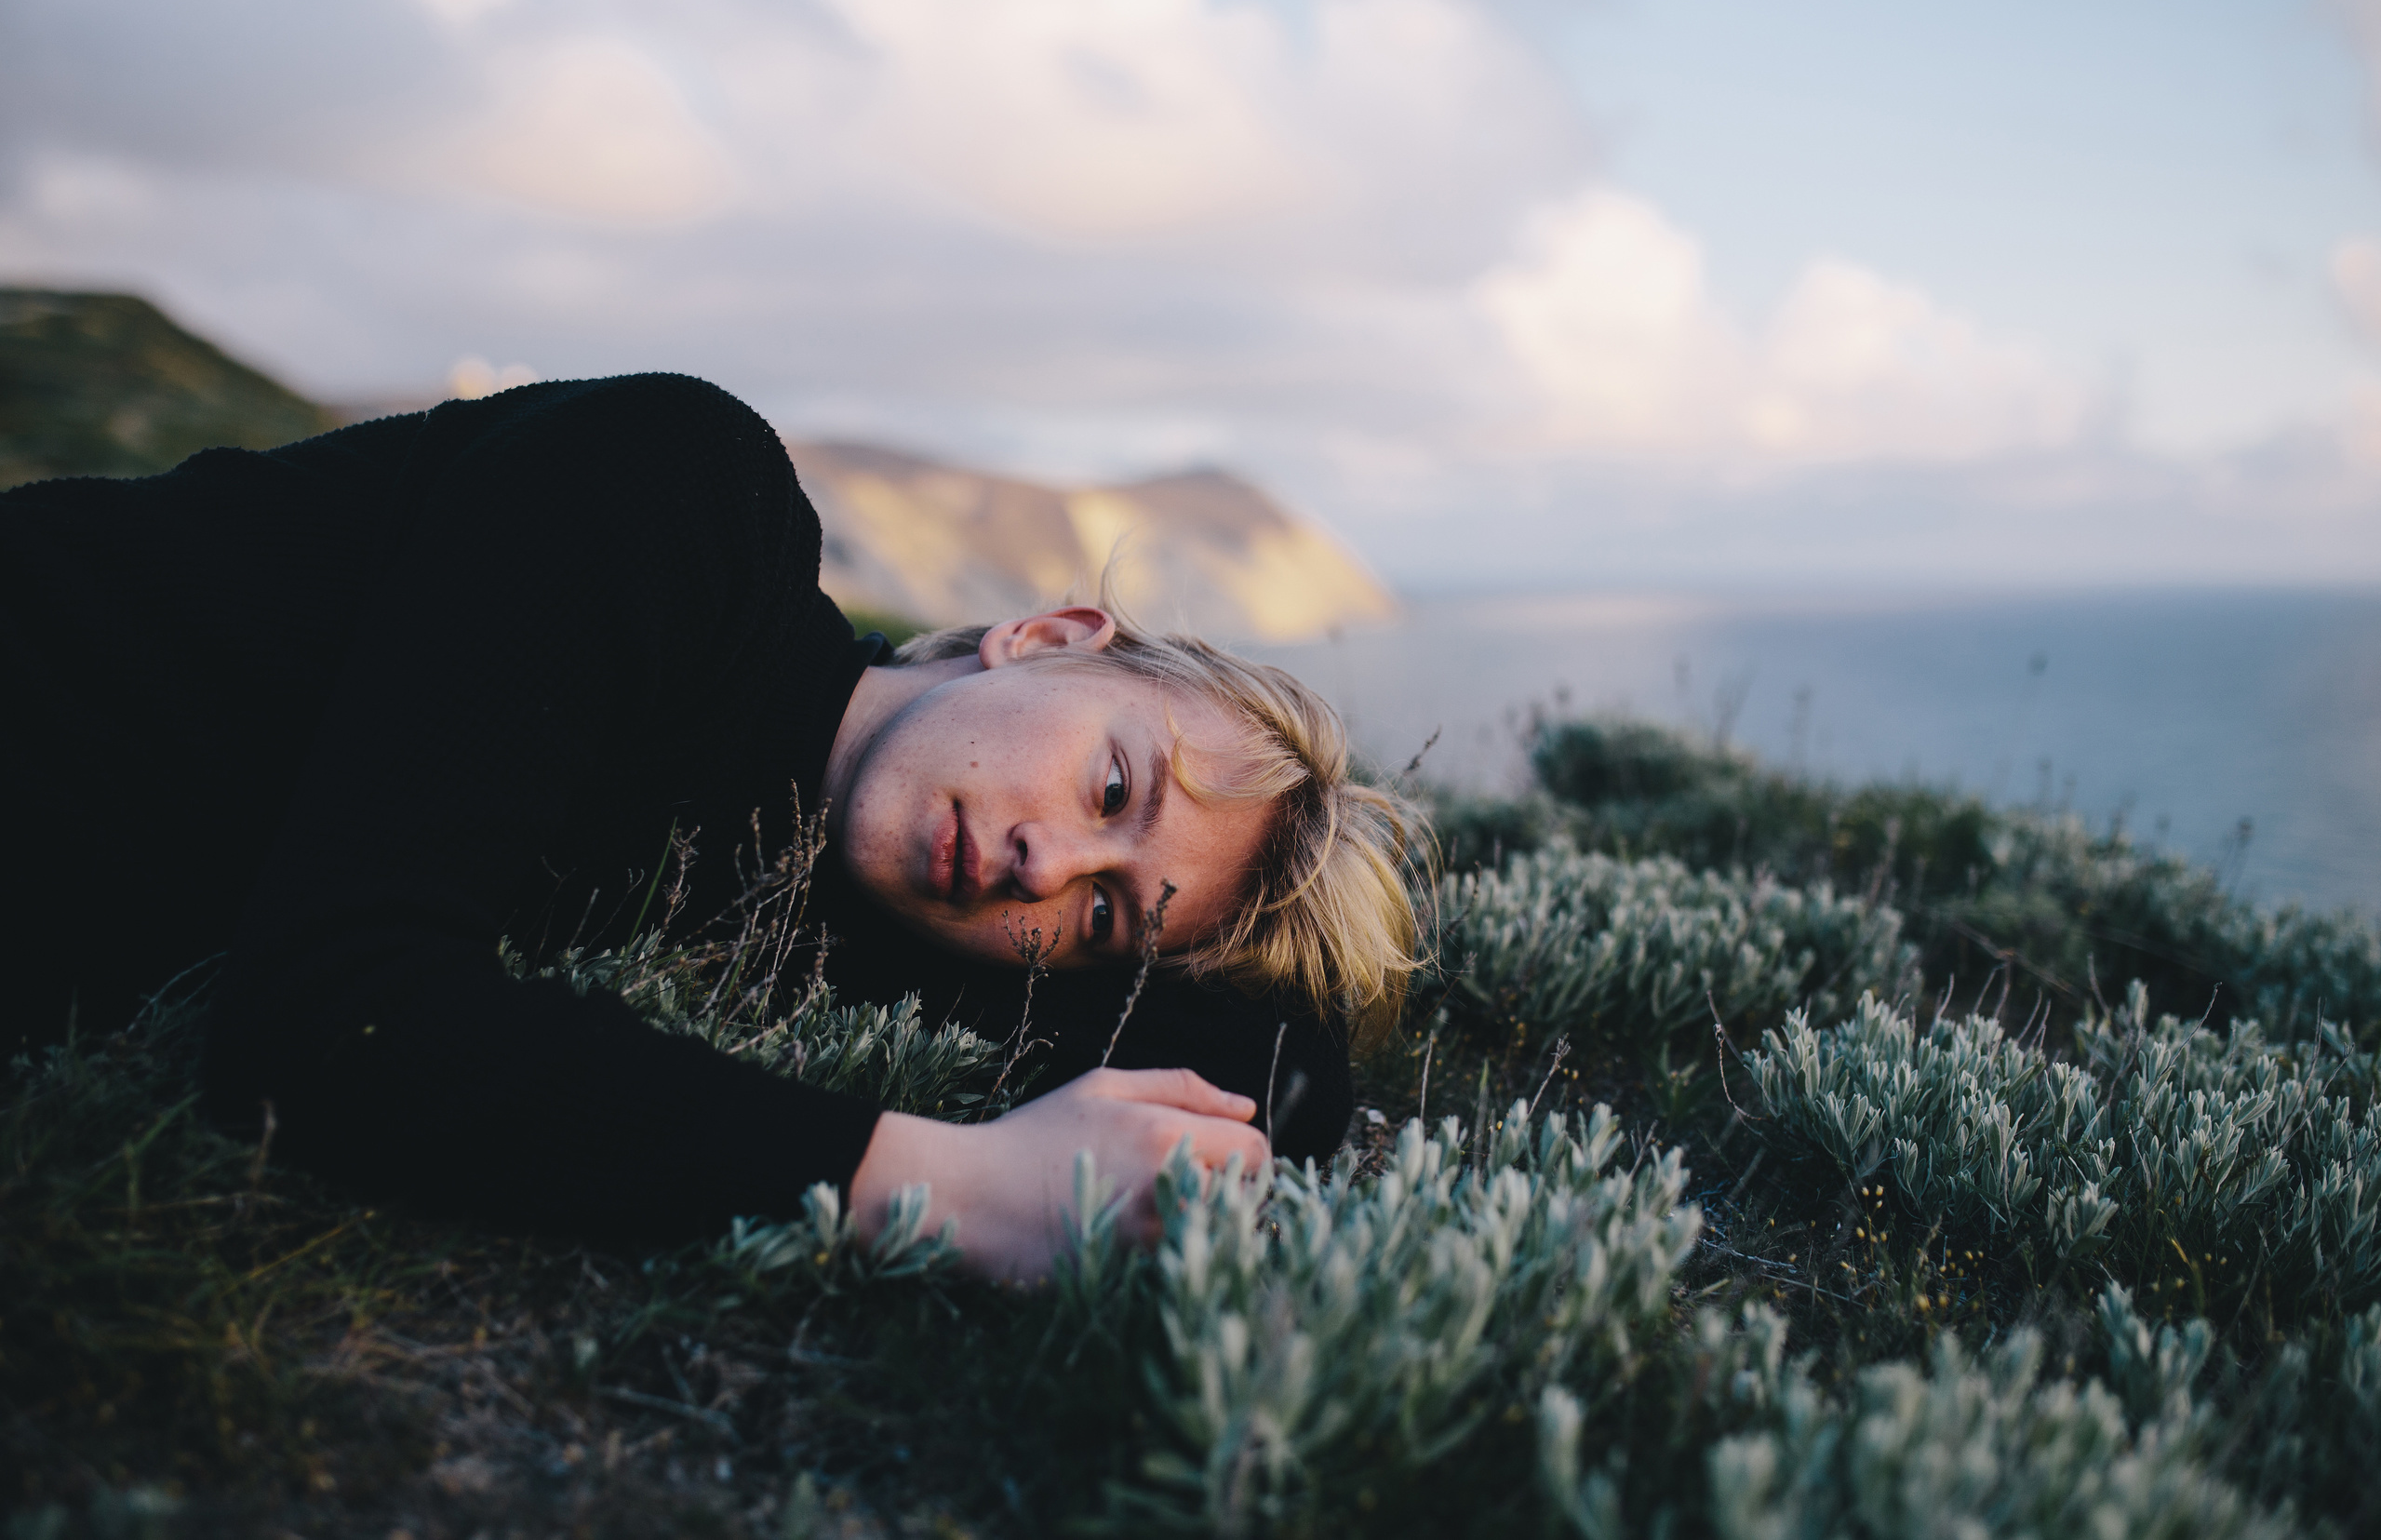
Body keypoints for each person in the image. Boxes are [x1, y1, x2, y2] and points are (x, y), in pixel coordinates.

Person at [0, 372, 1423, 1279]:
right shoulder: (681, 497)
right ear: (1046, 636)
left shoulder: (824, 913)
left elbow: (1278, 1079)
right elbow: (329, 1019)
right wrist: (953, 1185)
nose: (1045, 862)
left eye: (1107, 914)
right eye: (1114, 787)